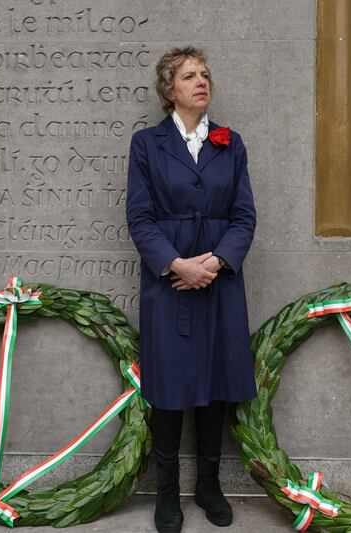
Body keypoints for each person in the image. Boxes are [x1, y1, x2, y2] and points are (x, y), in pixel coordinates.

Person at [125, 46, 258, 533]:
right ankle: (166, 493)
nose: (201, 81)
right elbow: (139, 217)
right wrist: (176, 263)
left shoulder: (231, 143)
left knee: (216, 382)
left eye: (205, 74)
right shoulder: (147, 144)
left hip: (220, 282)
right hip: (171, 283)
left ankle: (208, 484)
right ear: (169, 89)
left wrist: (218, 262)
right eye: (189, 75)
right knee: (170, 386)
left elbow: (244, 215)